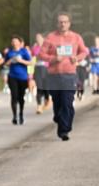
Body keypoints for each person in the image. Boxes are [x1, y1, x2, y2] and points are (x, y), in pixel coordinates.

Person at [38, 13, 89, 141]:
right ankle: (59, 117)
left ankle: (64, 130)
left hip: (69, 75)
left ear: (69, 23)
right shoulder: (50, 37)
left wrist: (76, 58)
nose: (63, 24)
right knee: (58, 102)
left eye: (65, 22)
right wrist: (54, 58)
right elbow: (41, 54)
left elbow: (85, 51)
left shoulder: (76, 37)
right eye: (60, 22)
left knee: (67, 102)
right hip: (54, 75)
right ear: (57, 24)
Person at [3, 35, 32, 125]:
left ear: (20, 43)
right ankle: (14, 116)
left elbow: (30, 62)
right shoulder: (9, 52)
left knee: (21, 97)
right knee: (14, 96)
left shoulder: (24, 51)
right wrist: (10, 61)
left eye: (16, 41)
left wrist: (21, 61)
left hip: (23, 77)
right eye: (13, 41)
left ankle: (21, 114)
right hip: (12, 76)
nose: (14, 43)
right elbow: (5, 64)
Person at [32, 33, 51, 114]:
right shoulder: (34, 48)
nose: (38, 39)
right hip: (38, 68)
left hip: (46, 69)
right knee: (39, 87)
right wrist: (30, 74)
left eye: (39, 38)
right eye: (37, 38)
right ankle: (39, 106)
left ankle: (47, 100)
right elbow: (32, 59)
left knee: (46, 88)